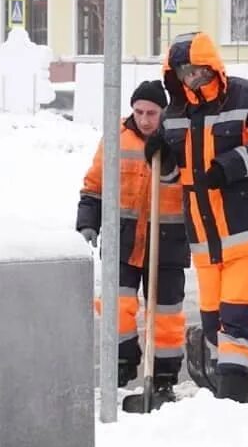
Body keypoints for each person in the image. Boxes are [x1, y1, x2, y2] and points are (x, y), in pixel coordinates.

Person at [143, 31, 248, 405]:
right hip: (204, 235)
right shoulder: (175, 113)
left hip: (247, 229)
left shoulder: (247, 97)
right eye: (184, 73)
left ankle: (237, 395)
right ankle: (217, 391)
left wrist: (230, 167)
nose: (193, 79)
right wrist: (157, 156)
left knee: (237, 317)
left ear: (213, 68)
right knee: (213, 321)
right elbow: (173, 176)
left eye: (198, 71)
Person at [77, 80, 189, 408]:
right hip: (124, 239)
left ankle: (164, 377)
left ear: (163, 112)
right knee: (117, 305)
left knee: (166, 313)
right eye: (138, 111)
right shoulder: (116, 139)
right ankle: (122, 362)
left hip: (167, 241)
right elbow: (95, 184)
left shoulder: (178, 139)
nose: (144, 119)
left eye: (151, 113)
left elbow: (190, 184)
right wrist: (88, 222)